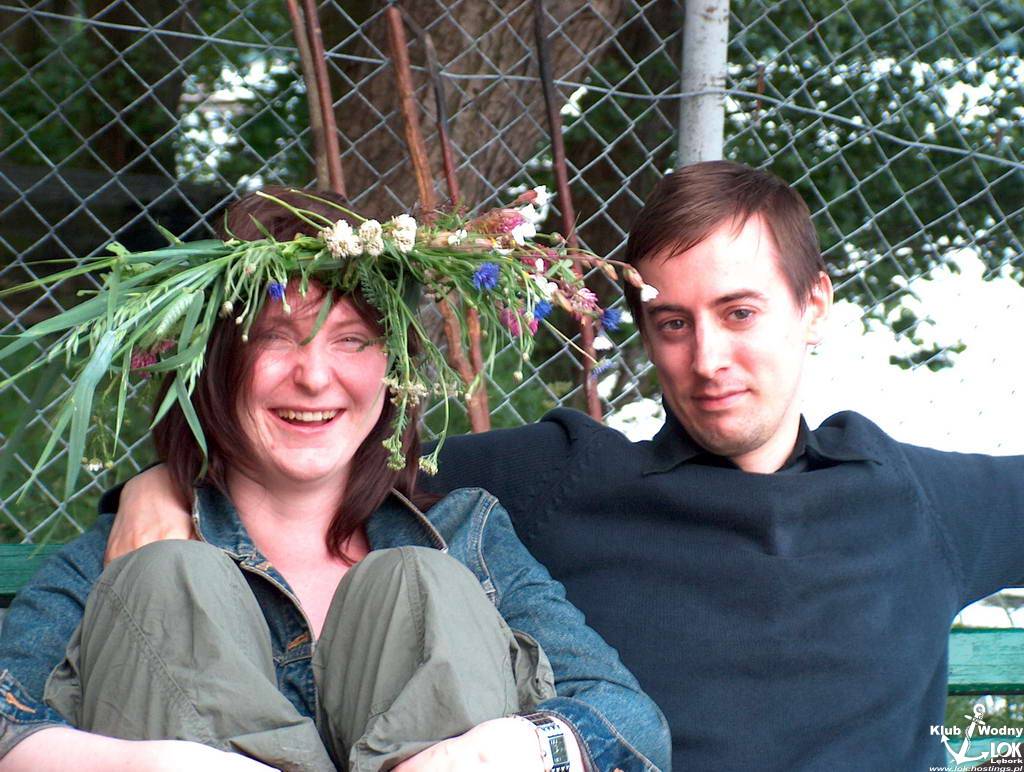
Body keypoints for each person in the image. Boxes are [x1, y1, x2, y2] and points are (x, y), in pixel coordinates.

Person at [103, 160, 1024, 770]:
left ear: (813, 304)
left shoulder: (915, 498)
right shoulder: (569, 478)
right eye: (672, 323)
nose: (707, 359)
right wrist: (164, 482)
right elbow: (321, 454)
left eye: (740, 313)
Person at [0, 190, 670, 772]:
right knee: (167, 580)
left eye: (350, 339)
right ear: (213, 364)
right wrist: (155, 763)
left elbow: (629, 725)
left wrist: (487, 754)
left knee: (418, 582)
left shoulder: (464, 535)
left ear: (392, 369)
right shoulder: (135, 545)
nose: (315, 377)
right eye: (275, 337)